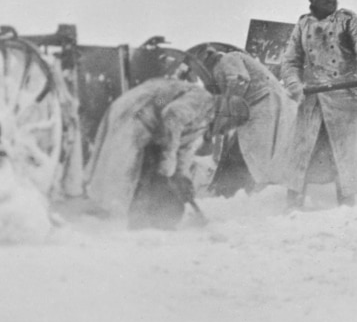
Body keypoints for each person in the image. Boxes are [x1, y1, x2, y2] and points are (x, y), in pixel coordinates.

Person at [84, 77, 247, 229]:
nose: (225, 132)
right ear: (227, 114)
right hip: (137, 111)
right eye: (229, 125)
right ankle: (100, 219)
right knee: (123, 170)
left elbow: (183, 147)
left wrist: (182, 176)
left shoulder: (203, 121)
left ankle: (135, 219)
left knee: (147, 176)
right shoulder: (202, 100)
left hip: (151, 118)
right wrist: (168, 160)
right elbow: (172, 115)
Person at [280, 0, 357, 209]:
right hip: (313, 102)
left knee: (343, 159)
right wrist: (294, 83)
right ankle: (292, 207)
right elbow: (290, 61)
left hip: (345, 104)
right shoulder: (303, 25)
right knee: (301, 154)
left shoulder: (348, 21)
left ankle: (346, 210)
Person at [201, 48, 296, 196]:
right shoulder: (222, 67)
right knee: (255, 151)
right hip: (261, 107)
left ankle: (256, 191)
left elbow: (239, 80)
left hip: (264, 105)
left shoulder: (227, 59)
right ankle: (236, 190)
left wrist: (226, 108)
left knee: (258, 152)